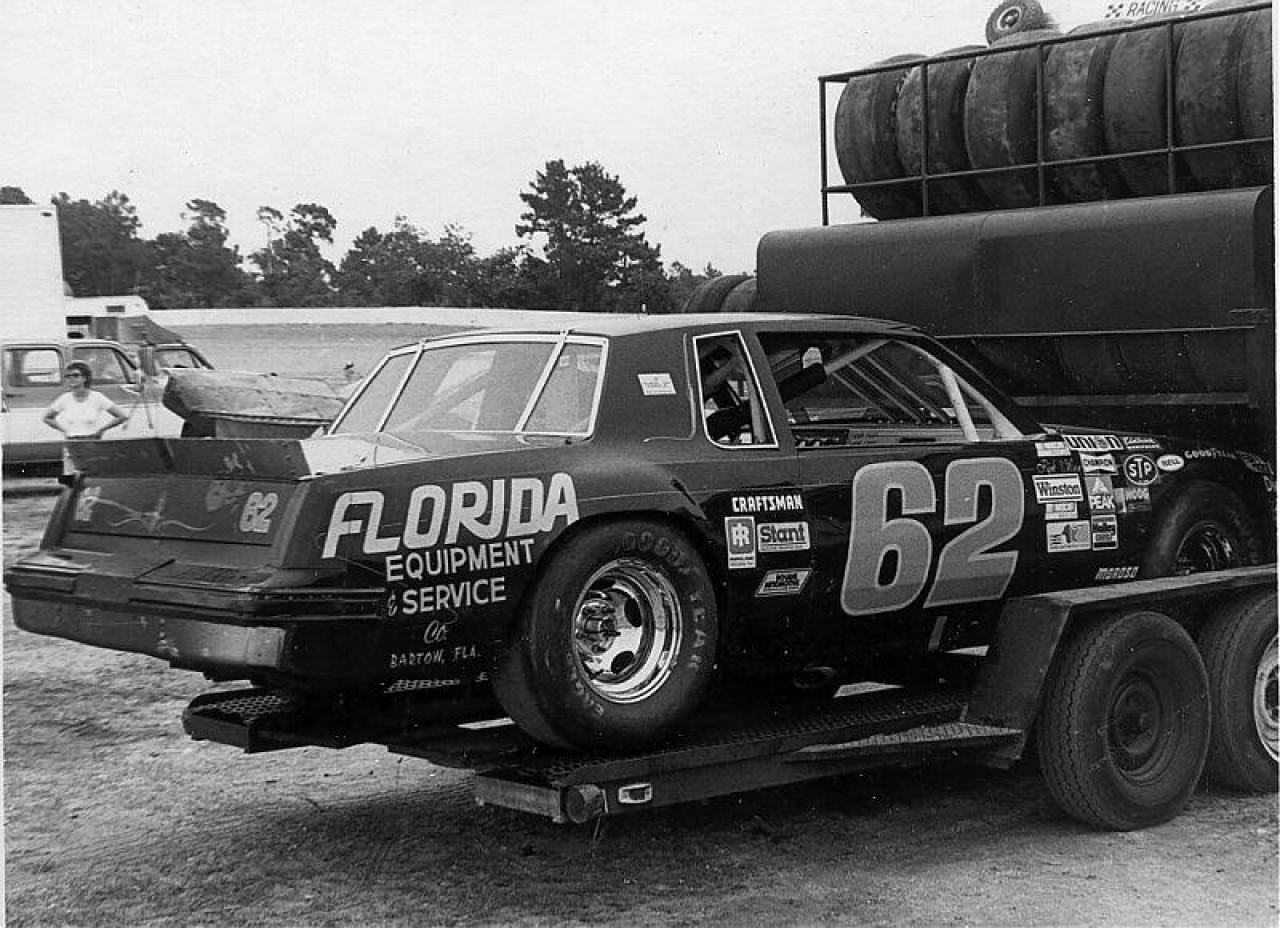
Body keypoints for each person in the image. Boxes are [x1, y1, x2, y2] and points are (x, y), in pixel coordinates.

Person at [42, 361, 129, 473]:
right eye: (67, 376)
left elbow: (121, 416)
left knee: (92, 475)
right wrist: (64, 430)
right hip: (72, 443)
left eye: (75, 375)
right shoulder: (64, 398)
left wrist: (102, 430)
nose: (71, 379)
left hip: (91, 443)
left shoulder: (97, 397)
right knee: (72, 477)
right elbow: (47, 417)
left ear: (85, 378)